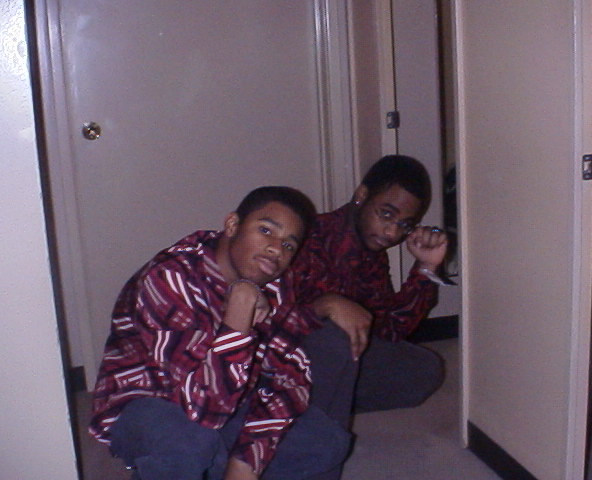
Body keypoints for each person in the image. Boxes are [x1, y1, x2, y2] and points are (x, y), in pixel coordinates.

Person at [89, 186, 350, 480]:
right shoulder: (169, 277)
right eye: (265, 230)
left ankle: (214, 466)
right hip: (148, 400)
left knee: (327, 443)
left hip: (229, 396)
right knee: (191, 444)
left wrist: (246, 463)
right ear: (233, 225)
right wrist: (238, 316)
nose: (276, 249)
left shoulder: (274, 283)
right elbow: (204, 408)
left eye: (289, 245)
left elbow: (290, 375)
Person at [288, 155, 448, 479]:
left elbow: (390, 331)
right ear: (361, 195)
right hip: (281, 360)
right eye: (386, 214)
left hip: (330, 365)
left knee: (424, 370)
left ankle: (312, 407)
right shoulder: (308, 236)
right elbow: (270, 321)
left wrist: (425, 268)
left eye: (404, 224)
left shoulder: (372, 254)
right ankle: (312, 441)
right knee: (334, 337)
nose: (392, 232)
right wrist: (325, 306)